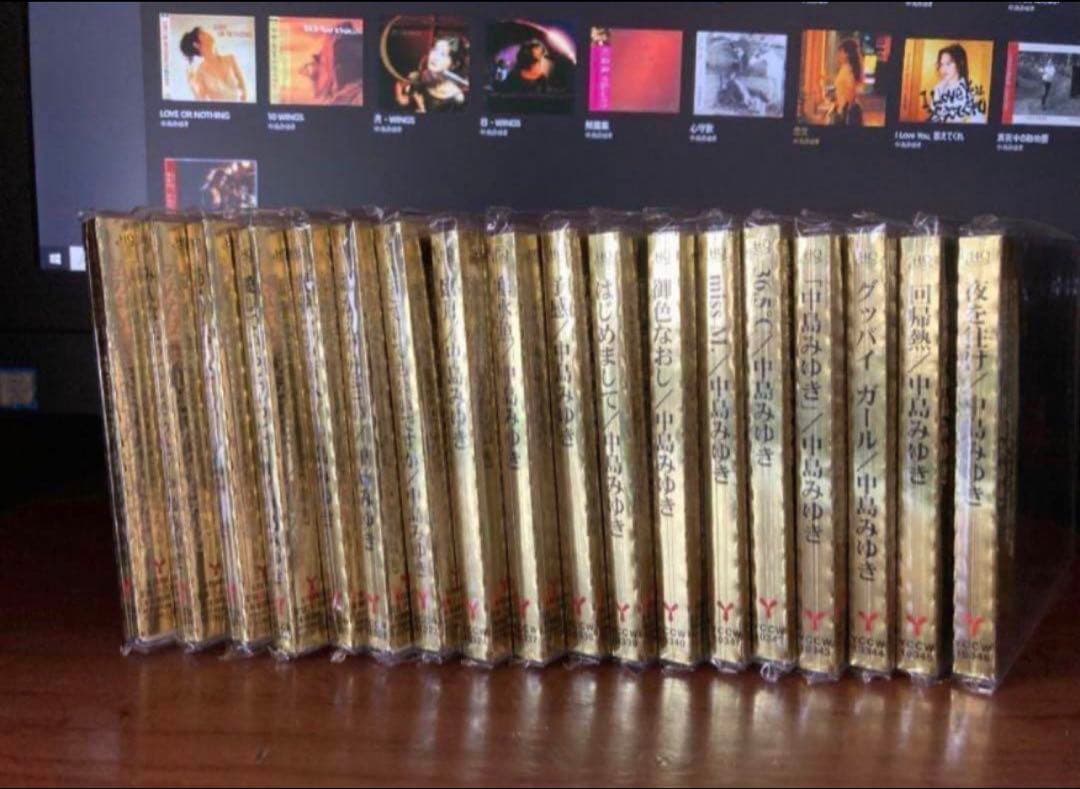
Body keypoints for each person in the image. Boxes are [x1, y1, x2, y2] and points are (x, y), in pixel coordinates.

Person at [394, 37, 467, 112]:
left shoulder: (456, 98)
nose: (435, 57)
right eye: (434, 50)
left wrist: (422, 110)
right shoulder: (421, 75)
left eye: (443, 54)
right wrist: (400, 97)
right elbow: (400, 83)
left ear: (454, 64)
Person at [179, 26, 248, 102]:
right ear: (196, 45)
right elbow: (202, 102)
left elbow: (244, 91)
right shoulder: (200, 73)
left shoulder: (231, 59)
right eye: (202, 33)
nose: (208, 33)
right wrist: (192, 87)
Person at [929, 44, 985, 123]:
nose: (943, 69)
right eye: (942, 64)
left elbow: (979, 121)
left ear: (960, 63)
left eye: (948, 64)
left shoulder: (971, 90)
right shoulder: (938, 88)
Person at [825, 38, 864, 126]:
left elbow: (851, 93)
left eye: (840, 52)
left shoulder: (847, 69)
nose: (838, 55)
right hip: (844, 111)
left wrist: (844, 108)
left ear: (847, 54)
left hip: (845, 113)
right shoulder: (847, 68)